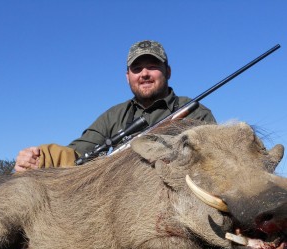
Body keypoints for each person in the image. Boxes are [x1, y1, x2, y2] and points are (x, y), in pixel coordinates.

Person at [14, 40, 216, 172]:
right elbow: (77, 154)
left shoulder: (196, 112)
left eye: (153, 67)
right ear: (128, 77)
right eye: (137, 69)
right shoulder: (114, 116)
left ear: (168, 71)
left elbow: (215, 163)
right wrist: (39, 158)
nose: (144, 74)